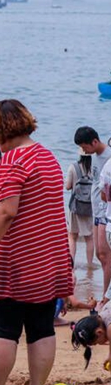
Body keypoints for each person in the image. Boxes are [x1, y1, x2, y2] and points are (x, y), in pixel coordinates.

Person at [0, 99, 73, 385]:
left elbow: (6, 211)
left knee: (5, 330)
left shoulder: (13, 161)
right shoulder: (46, 156)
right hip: (48, 256)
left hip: (16, 260)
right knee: (41, 327)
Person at [75, 126, 111, 294]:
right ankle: (105, 293)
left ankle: (106, 295)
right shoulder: (95, 157)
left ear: (95, 141)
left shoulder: (108, 155)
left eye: (85, 147)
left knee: (105, 254)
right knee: (100, 255)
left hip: (106, 211)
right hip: (96, 210)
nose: (84, 150)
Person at [66, 149, 95, 266]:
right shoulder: (95, 169)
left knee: (72, 236)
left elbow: (68, 186)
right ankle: (90, 264)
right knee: (89, 238)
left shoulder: (73, 167)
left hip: (75, 207)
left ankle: (71, 265)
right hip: (89, 207)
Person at [71, 304, 111, 370]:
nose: (100, 344)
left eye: (97, 343)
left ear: (99, 332)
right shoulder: (104, 314)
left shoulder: (109, 328)